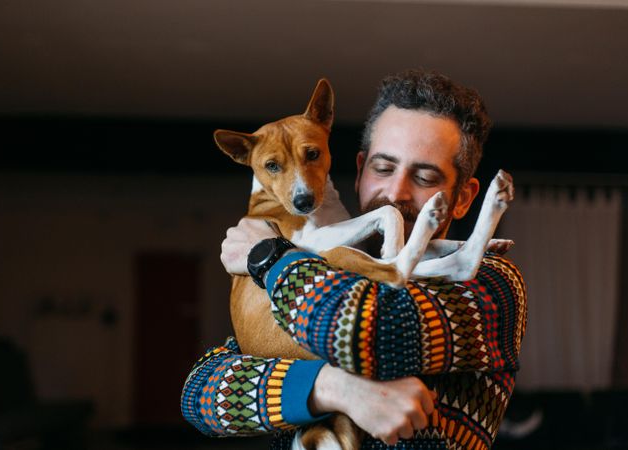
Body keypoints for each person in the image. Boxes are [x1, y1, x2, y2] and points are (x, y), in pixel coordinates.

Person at [181, 69, 527, 449]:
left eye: (424, 177)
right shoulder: (326, 266)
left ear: (463, 198)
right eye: (384, 168)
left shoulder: (492, 285)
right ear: (360, 172)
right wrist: (333, 388)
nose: (396, 191)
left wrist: (268, 257)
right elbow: (202, 392)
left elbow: (365, 332)